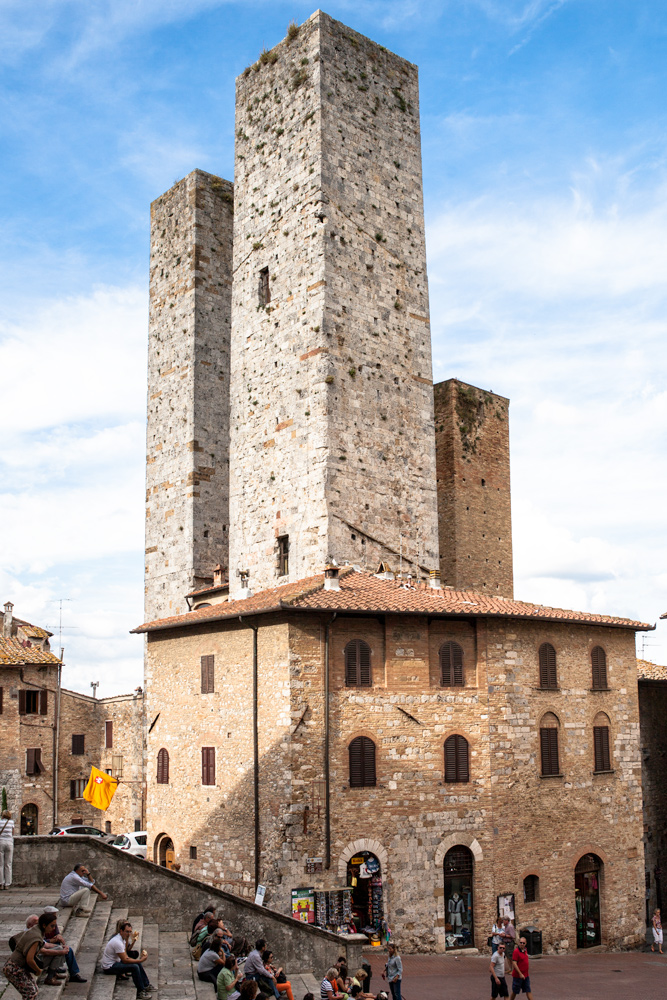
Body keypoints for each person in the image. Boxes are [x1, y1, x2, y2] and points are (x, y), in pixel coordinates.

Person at [3, 911, 57, 999]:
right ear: (44, 925)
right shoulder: (36, 937)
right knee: (30, 993)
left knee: (34, 990)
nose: (54, 928)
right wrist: (38, 970)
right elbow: (29, 959)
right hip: (14, 968)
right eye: (52, 926)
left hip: (19, 967)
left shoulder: (37, 930)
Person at [101, 919, 155, 998]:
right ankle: (141, 992)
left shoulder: (122, 939)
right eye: (127, 932)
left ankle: (146, 985)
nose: (129, 934)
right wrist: (141, 960)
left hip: (116, 962)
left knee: (136, 963)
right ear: (121, 931)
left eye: (130, 932)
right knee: (134, 967)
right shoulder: (117, 942)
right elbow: (125, 960)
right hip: (109, 967)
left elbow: (126, 953)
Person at [40, 906, 86, 984]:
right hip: (42, 953)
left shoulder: (53, 923)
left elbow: (57, 933)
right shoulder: (40, 929)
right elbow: (43, 944)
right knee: (61, 951)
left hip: (51, 944)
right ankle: (52, 974)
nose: (53, 927)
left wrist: (59, 938)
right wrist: (53, 941)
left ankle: (73, 974)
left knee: (67, 949)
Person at [0, 809, 14, 889]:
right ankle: (7, 884)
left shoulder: (0, 822)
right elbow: (13, 833)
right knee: (8, 864)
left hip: (1, 842)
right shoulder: (11, 822)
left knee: (0, 864)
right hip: (9, 843)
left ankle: (1, 883)